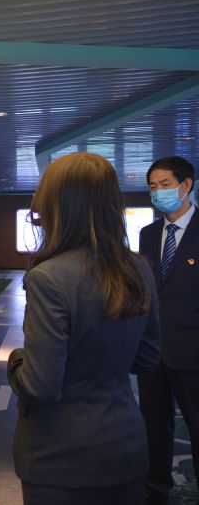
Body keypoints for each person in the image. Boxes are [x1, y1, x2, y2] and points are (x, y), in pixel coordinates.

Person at [7, 152, 161, 504]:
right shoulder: (140, 268)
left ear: (56, 206)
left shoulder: (48, 277)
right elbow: (147, 359)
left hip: (60, 460)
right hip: (126, 449)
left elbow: (40, 386)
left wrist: (15, 361)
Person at [137, 156, 199, 505]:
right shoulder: (148, 234)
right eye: (153, 187)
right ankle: (156, 486)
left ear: (186, 185)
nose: (158, 192)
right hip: (152, 351)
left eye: (165, 185)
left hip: (192, 350)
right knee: (154, 424)